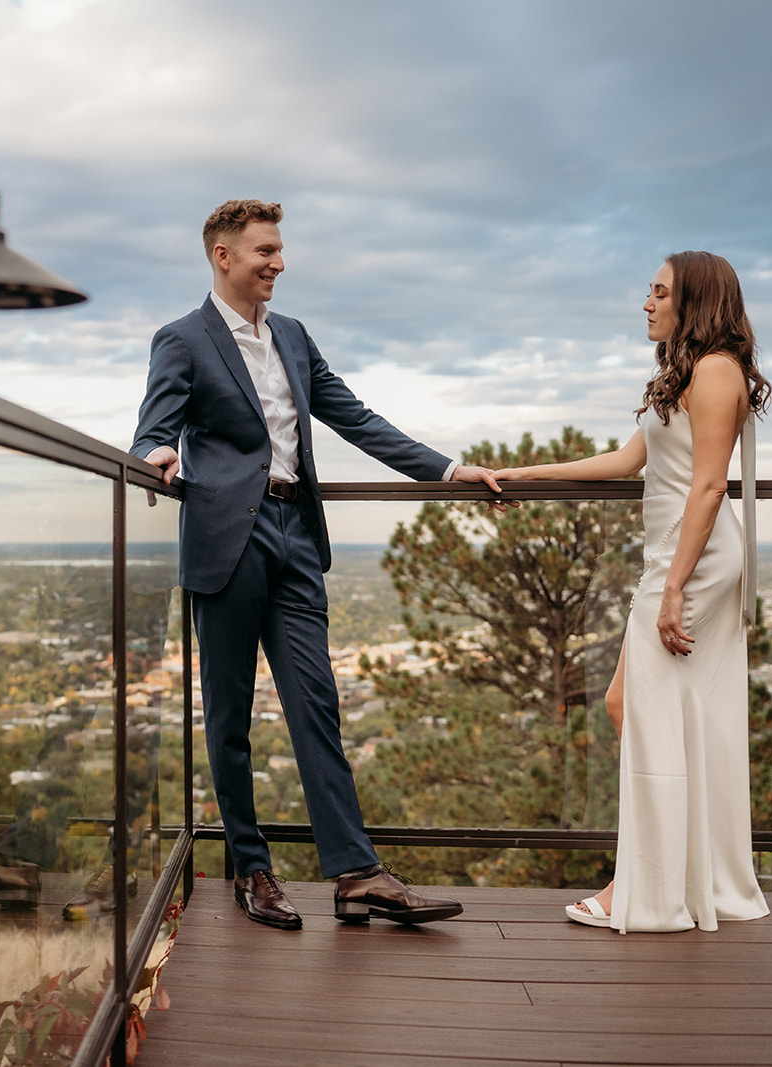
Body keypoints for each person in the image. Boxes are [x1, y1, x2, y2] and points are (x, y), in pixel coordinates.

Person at [131, 199, 501, 929]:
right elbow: (154, 425)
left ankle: (356, 871)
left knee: (316, 702)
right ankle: (254, 867)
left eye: (279, 249)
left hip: (295, 532)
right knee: (231, 717)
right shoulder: (182, 339)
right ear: (223, 256)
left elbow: (354, 416)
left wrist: (447, 470)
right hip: (225, 538)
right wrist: (156, 454)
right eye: (264, 250)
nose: (278, 262)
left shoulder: (294, 337)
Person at [493, 251, 772, 933]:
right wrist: (521, 474)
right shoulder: (683, 371)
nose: (646, 303)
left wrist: (674, 589)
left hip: (693, 563)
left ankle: (639, 887)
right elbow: (626, 461)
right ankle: (680, 873)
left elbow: (708, 485)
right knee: (636, 706)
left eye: (659, 292)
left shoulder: (714, 371)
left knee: (636, 707)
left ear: (695, 301)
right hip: (674, 560)